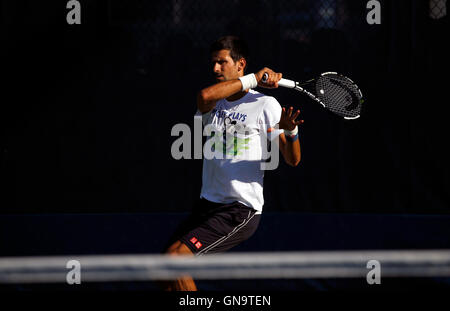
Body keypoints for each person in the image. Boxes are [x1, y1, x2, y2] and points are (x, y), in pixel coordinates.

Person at [164, 35, 302, 291]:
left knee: (176, 262)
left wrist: (291, 132)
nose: (215, 68)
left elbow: (292, 159)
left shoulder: (266, 104)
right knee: (163, 269)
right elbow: (205, 95)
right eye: (213, 63)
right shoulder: (213, 100)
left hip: (239, 209)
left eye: (222, 62)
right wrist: (254, 76)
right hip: (208, 205)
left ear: (240, 64)